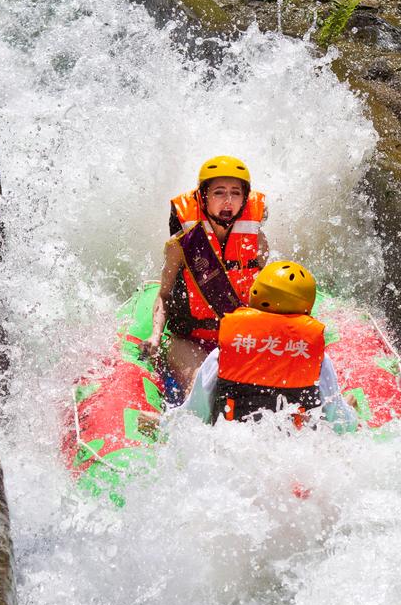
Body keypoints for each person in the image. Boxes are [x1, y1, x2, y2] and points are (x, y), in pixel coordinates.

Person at [176, 261, 358, 432]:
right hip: (295, 452)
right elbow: (336, 422)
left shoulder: (223, 353)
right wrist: (350, 414)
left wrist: (164, 422)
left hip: (233, 448)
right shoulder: (317, 359)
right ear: (306, 309)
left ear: (254, 297)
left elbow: (195, 416)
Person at [140, 156, 269, 390]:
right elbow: (164, 294)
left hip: (239, 338)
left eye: (236, 193)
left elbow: (266, 296)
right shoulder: (181, 244)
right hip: (189, 340)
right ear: (204, 196)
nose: (228, 201)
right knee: (201, 384)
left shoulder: (256, 240)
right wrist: (156, 335)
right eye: (219, 192)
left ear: (244, 198)